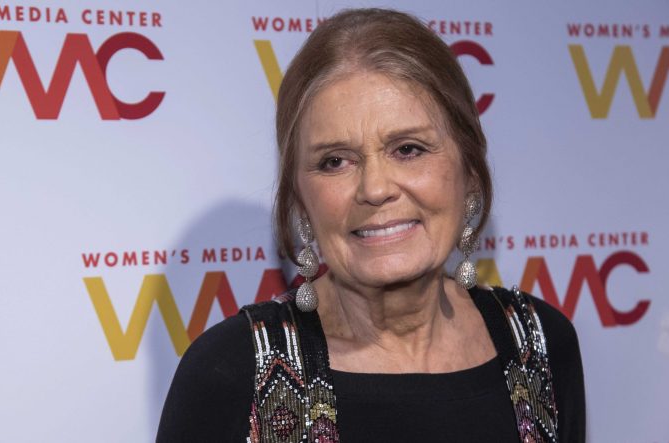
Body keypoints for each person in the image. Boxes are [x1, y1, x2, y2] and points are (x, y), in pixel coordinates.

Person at [157, 8, 585, 443]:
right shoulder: (232, 374)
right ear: (300, 199)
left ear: (469, 169)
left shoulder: (540, 345)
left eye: (408, 149)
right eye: (335, 161)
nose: (375, 188)